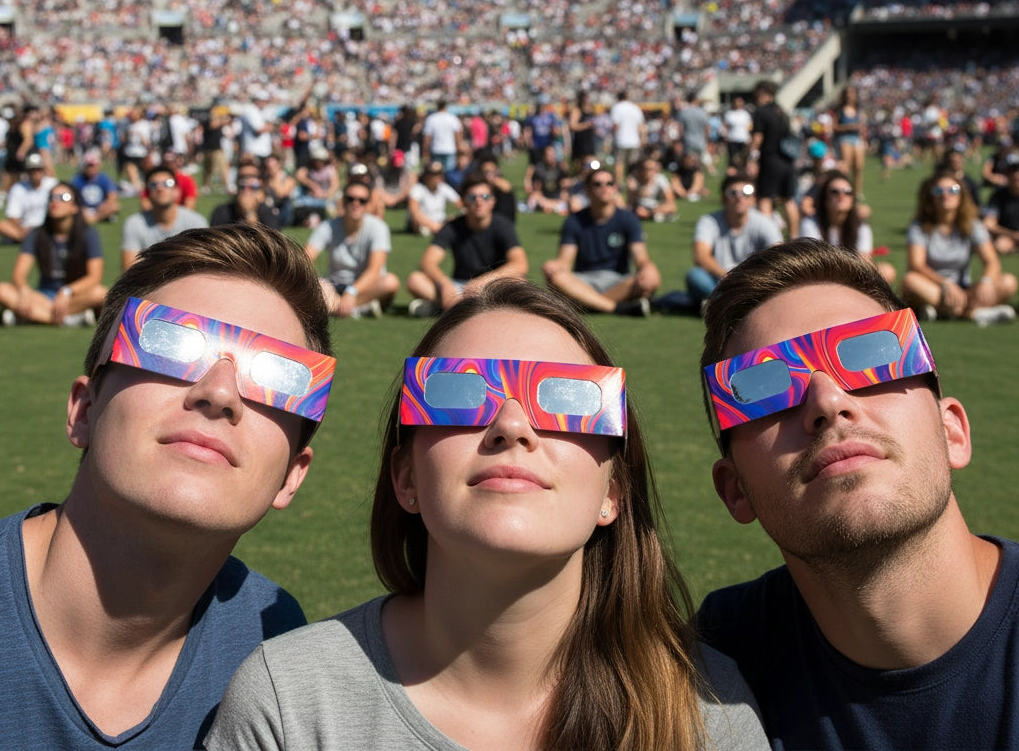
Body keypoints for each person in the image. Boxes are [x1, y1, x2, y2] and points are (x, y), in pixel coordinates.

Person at [207, 278, 768, 751]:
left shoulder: (709, 714)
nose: (512, 425)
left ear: (613, 493)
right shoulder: (290, 702)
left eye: (567, 400)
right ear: (406, 478)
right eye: (458, 394)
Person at [0, 223, 336, 748]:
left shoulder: (276, 647)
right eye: (171, 344)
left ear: (292, 474)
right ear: (85, 410)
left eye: (280, 379)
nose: (220, 391)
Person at [696, 239, 1019, 750]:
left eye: (871, 354)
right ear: (736, 491)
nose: (827, 400)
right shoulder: (710, 671)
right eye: (763, 385)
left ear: (951, 430)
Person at [542, 162, 660, 316]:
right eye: (598, 184)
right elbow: (564, 262)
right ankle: (614, 308)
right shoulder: (574, 221)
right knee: (556, 277)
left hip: (618, 281)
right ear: (588, 190)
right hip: (583, 280)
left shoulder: (628, 219)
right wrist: (554, 265)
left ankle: (587, 304)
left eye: (609, 183)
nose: (605, 187)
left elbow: (641, 257)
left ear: (615, 188)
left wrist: (648, 267)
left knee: (650, 280)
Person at [899, 171, 1017, 325]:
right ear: (931, 198)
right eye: (938, 191)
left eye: (953, 190)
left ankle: (947, 311)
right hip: (934, 288)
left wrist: (986, 281)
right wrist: (945, 283)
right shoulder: (919, 227)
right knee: (909, 281)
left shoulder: (972, 225)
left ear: (962, 195)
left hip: (965, 290)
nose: (946, 195)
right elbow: (916, 265)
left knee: (1009, 282)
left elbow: (991, 261)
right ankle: (972, 313)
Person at [406, 172, 527, 317]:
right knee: (415, 280)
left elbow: (520, 264)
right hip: (459, 287)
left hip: (493, 285)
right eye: (472, 197)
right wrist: (444, 284)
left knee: (520, 282)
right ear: (463, 202)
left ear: (493, 201)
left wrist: (482, 282)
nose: (479, 201)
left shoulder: (503, 225)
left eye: (485, 197)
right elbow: (427, 262)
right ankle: (465, 308)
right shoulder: (453, 226)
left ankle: (449, 310)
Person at [0, 181, 106, 326]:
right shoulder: (36, 234)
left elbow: (94, 277)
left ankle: (29, 317)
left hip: (75, 295)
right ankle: (69, 320)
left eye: (64, 197)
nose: (56, 202)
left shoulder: (88, 234)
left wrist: (67, 291)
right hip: (43, 295)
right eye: (52, 197)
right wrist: (24, 290)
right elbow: (19, 274)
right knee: (1, 290)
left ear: (74, 207)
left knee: (101, 293)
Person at [304, 174, 400, 319]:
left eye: (362, 200)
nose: (356, 203)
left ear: (368, 204)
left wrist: (352, 291)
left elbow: (374, 270)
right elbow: (306, 257)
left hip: (366, 287)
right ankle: (357, 308)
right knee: (318, 285)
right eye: (350, 199)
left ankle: (339, 307)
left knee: (390, 282)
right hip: (335, 284)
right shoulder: (328, 226)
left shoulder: (378, 227)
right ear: (343, 201)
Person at [686, 175, 782, 308]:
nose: (739, 198)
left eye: (746, 193)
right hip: (719, 279)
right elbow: (700, 256)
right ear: (723, 198)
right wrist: (727, 276)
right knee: (695, 276)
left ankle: (720, 304)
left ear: (753, 199)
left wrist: (751, 279)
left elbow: (779, 255)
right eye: (733, 193)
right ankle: (735, 304)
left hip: (753, 281)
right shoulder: (708, 221)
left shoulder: (765, 223)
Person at [800, 170, 896, 284]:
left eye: (848, 192)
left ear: (853, 199)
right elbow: (814, 259)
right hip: (820, 276)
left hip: (852, 276)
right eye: (835, 192)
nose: (842, 196)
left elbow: (864, 261)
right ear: (825, 198)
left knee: (887, 271)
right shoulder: (810, 223)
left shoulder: (861, 226)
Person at [120, 164, 209, 271]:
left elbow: (202, 268)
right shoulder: (134, 224)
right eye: (153, 185)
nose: (160, 188)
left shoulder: (196, 223)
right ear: (147, 193)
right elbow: (130, 271)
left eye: (168, 183)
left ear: (177, 191)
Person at [748, 80, 799, 238]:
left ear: (762, 93)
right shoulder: (782, 112)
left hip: (770, 160)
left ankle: (769, 242)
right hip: (788, 161)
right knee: (788, 200)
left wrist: (748, 157)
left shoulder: (761, 112)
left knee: (765, 199)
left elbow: (757, 138)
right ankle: (794, 238)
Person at [0, 150, 57, 244]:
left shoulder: (53, 185)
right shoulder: (18, 189)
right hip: (26, 228)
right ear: (28, 171)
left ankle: (30, 239)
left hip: (49, 226)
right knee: (0, 225)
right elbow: (13, 216)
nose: (36, 173)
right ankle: (32, 239)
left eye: (38, 169)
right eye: (33, 170)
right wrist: (21, 229)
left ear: (43, 170)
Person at [210, 161, 283, 230]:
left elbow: (270, 242)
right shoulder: (222, 212)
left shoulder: (269, 213)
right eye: (242, 178)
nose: (246, 191)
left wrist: (249, 214)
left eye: (253, 187)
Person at [406, 161, 461, 237]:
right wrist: (432, 225)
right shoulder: (418, 189)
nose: (437, 178)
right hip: (422, 223)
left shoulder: (443, 188)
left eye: (439, 174)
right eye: (434, 175)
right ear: (426, 176)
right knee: (418, 223)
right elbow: (413, 209)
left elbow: (460, 203)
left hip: (440, 221)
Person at [832, 83, 867, 200]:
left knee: (858, 167)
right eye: (847, 93)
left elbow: (862, 126)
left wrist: (863, 137)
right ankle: (846, 190)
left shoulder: (858, 110)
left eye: (851, 93)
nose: (849, 96)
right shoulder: (840, 111)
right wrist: (848, 127)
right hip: (844, 138)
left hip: (857, 139)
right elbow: (834, 127)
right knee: (846, 167)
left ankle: (857, 192)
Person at [71, 149, 120, 224]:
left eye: (94, 165)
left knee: (115, 206)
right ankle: (100, 218)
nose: (92, 168)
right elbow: (73, 197)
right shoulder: (77, 179)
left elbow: (112, 195)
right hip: (84, 208)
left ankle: (93, 218)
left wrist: (106, 204)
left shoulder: (103, 178)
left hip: (100, 207)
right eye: (89, 166)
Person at [609, 89, 646, 189]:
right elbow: (641, 127)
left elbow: (615, 126)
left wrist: (610, 138)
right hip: (634, 141)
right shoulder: (635, 108)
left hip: (621, 140)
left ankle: (619, 184)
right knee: (632, 166)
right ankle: (632, 183)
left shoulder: (616, 108)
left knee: (619, 163)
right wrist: (643, 139)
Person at [984, 154, 1019, 256]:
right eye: (1013, 171)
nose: (1016, 175)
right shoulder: (998, 195)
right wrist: (1013, 235)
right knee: (1001, 245)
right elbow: (989, 224)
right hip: (1007, 236)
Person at [628, 154, 677, 222]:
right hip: (640, 207)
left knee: (669, 209)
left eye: (651, 169)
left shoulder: (661, 179)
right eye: (645, 169)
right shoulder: (634, 179)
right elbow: (630, 203)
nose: (648, 172)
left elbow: (672, 205)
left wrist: (649, 212)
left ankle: (652, 215)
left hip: (656, 206)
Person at [421, 98, 464, 173]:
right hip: (450, 149)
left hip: (436, 149)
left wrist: (425, 152)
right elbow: (458, 137)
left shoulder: (431, 119)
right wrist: (459, 151)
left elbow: (427, 138)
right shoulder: (452, 118)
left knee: (436, 173)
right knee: (449, 174)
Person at [524, 144, 570, 215]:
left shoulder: (561, 168)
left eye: (553, 155)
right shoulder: (539, 169)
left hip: (557, 197)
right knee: (534, 197)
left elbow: (565, 187)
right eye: (549, 155)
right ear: (544, 156)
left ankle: (548, 207)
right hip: (544, 197)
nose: (551, 157)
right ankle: (552, 207)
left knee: (566, 197)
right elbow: (537, 189)